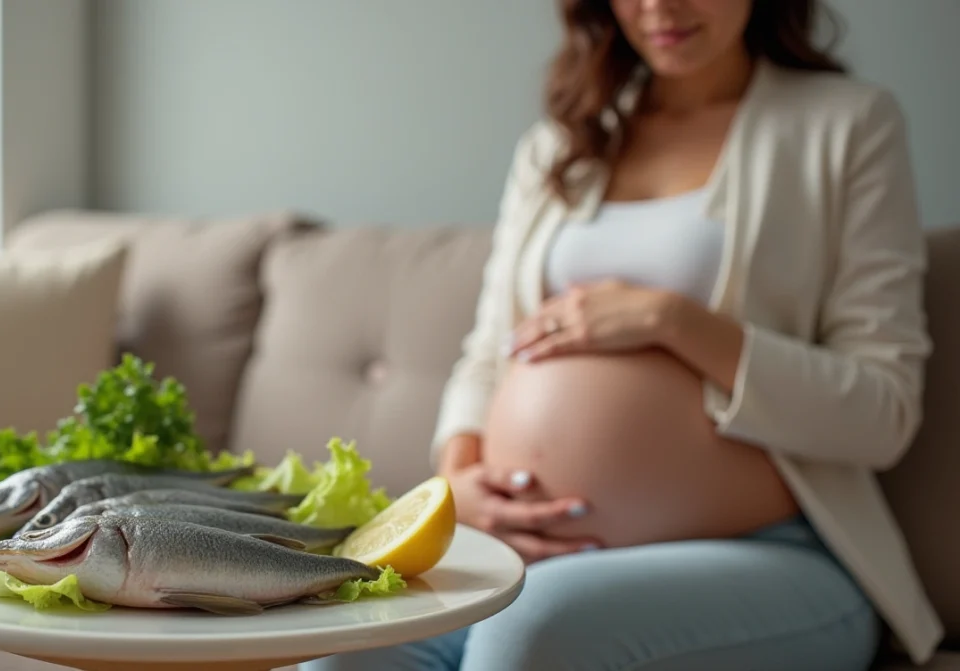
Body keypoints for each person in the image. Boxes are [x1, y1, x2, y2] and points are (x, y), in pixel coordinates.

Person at [304, 0, 943, 669]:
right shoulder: (558, 143)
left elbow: (884, 411)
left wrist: (670, 320)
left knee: (527, 637)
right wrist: (458, 478)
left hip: (770, 550)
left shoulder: (847, 125)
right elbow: (490, 351)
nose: (660, 7)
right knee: (339, 652)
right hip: (526, 552)